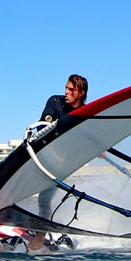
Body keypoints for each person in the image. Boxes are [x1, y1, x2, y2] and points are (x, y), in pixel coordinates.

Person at [32, 73, 89, 251]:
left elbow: (89, 138)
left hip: (61, 163)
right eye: (66, 87)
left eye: (71, 90)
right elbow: (44, 123)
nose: (66, 92)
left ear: (81, 93)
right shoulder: (55, 102)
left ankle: (40, 236)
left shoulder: (86, 114)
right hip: (42, 155)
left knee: (44, 199)